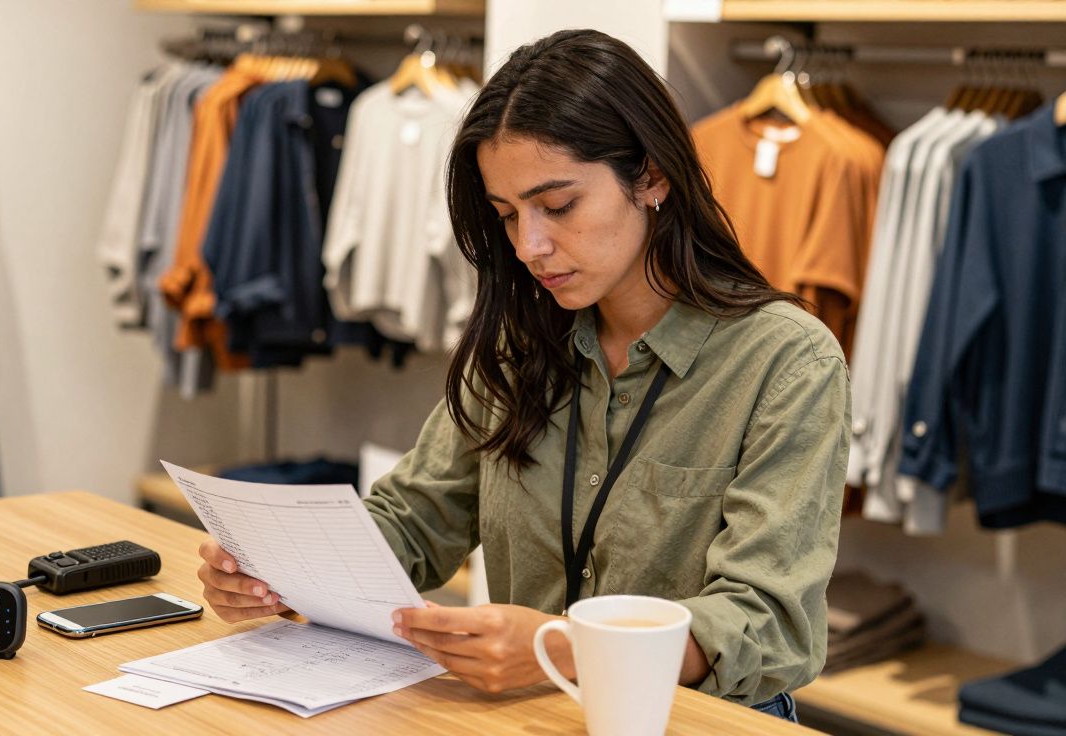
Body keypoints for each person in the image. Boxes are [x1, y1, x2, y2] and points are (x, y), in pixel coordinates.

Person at [196, 28, 849, 722]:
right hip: (529, 712)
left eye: (558, 206)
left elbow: (766, 624)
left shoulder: (785, 363)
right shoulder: (518, 340)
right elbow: (417, 518)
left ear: (652, 175)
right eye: (507, 216)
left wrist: (563, 646)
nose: (530, 246)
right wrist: (283, 571)